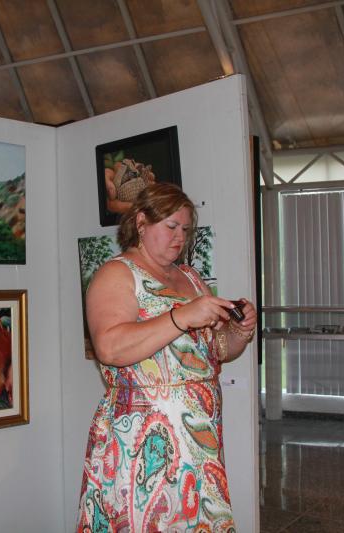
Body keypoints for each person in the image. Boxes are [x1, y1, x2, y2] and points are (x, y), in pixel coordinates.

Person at [76, 183, 257, 532]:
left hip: (199, 436)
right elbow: (109, 348)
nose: (179, 238)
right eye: (171, 226)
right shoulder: (116, 273)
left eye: (185, 229)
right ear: (141, 222)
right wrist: (182, 317)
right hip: (143, 440)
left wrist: (240, 330)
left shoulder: (190, 277)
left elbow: (217, 350)